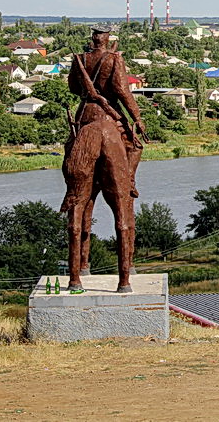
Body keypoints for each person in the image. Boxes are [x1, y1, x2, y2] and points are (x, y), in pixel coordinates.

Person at [60, 25, 145, 293]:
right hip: (108, 121)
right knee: (134, 146)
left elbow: (74, 88)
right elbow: (121, 90)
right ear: (108, 40)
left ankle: (77, 276)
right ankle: (124, 279)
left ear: (92, 39)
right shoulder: (113, 59)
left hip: (84, 117)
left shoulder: (80, 60)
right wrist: (137, 117)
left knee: (79, 201)